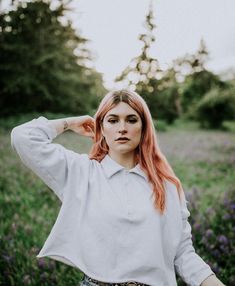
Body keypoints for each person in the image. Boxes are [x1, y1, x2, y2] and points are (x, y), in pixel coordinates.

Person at [11, 89, 225, 286]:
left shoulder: (167, 185)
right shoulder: (81, 172)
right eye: (112, 120)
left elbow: (183, 253)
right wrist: (70, 123)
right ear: (101, 127)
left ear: (144, 128)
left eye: (131, 120)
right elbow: (23, 138)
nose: (122, 128)